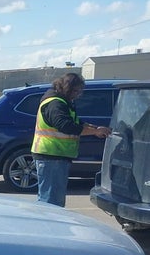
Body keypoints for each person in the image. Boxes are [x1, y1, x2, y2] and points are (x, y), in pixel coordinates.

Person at [32, 73, 111, 206]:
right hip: (51, 155)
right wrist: (95, 132)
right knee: (52, 203)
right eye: (76, 91)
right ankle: (51, 226)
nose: (78, 94)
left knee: (49, 200)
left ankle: (48, 225)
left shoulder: (60, 101)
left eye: (80, 91)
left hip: (54, 156)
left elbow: (73, 122)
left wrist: (93, 127)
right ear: (67, 88)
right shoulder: (55, 103)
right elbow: (65, 125)